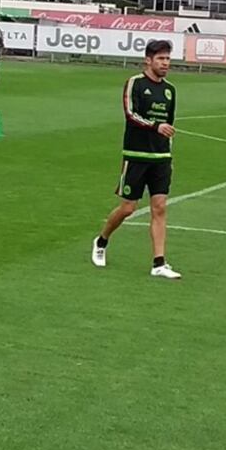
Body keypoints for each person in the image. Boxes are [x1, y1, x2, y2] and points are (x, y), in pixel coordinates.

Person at [90, 40, 181, 280]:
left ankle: (159, 263)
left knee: (160, 207)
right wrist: (155, 126)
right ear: (148, 60)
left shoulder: (170, 90)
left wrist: (168, 151)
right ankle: (102, 240)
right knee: (128, 207)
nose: (165, 63)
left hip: (161, 157)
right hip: (136, 155)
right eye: (161, 59)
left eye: (168, 59)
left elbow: (169, 123)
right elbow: (131, 114)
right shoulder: (135, 84)